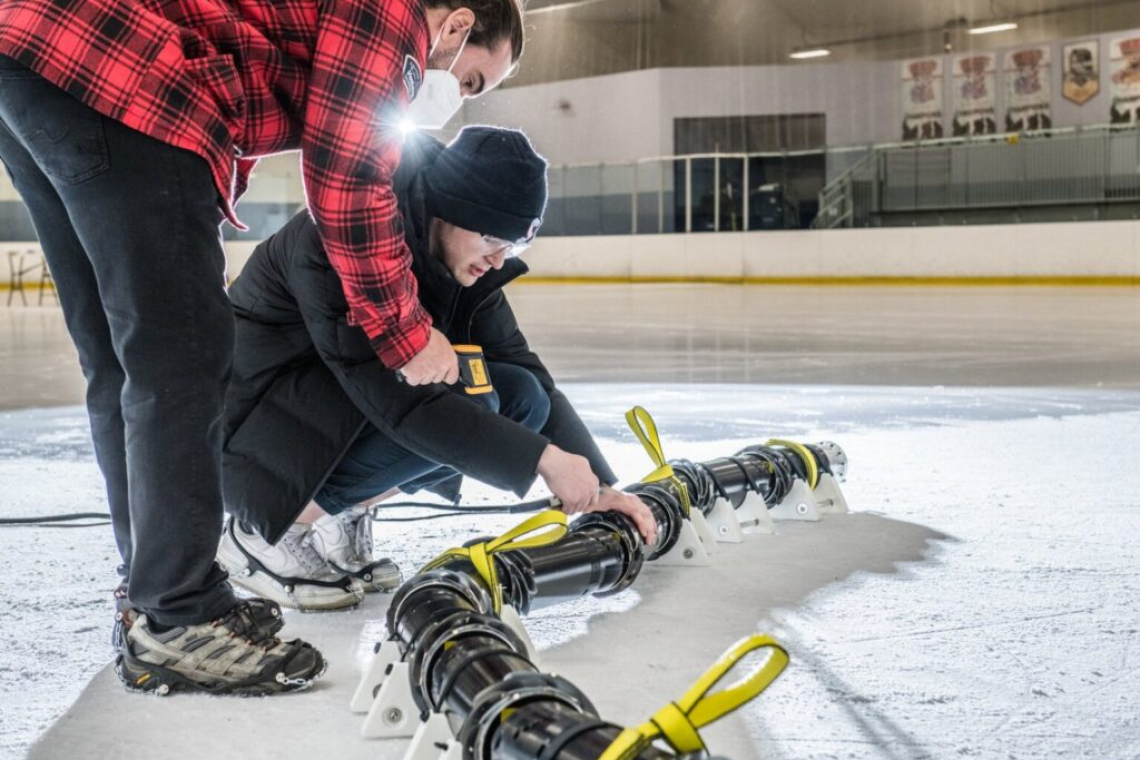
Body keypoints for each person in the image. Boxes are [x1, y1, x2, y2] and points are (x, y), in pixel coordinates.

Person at [0, 0, 524, 695]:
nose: (452, 98)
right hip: (123, 74)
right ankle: (177, 615)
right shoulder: (391, 15)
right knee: (182, 353)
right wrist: (405, 334)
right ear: (456, 26)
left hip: (41, 55)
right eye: (471, 82)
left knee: (122, 357)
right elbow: (347, 182)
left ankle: (155, 593)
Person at [219, 127, 658, 610]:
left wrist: (598, 485)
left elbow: (520, 364)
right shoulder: (345, 245)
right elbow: (397, 403)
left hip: (325, 414)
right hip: (250, 430)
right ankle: (265, 532)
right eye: (491, 237)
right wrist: (544, 460)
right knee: (470, 401)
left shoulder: (461, 263)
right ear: (447, 210)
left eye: (513, 245)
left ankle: (337, 513)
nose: (498, 259)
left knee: (519, 396)